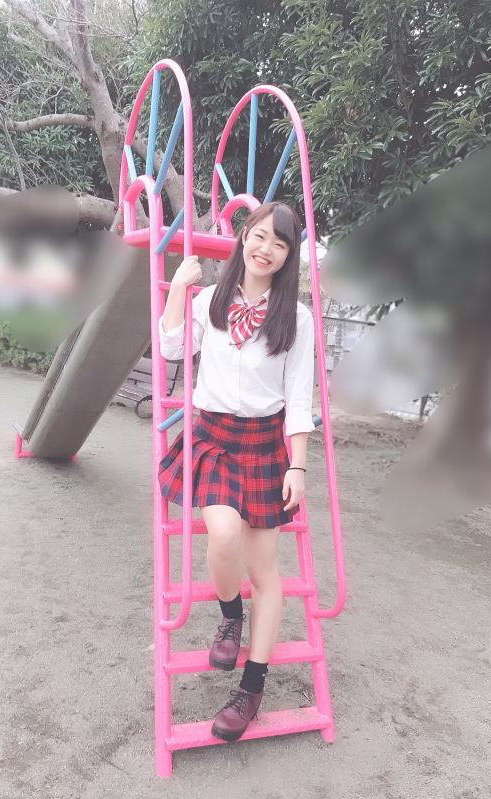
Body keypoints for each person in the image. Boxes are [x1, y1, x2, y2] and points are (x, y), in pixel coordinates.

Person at [157, 201, 315, 742]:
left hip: (265, 445)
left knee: (266, 572)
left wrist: (298, 465)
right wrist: (179, 287)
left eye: (280, 243)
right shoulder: (210, 302)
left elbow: (299, 398)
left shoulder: (296, 319)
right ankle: (231, 615)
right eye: (260, 236)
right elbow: (171, 347)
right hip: (214, 439)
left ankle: (252, 686)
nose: (266, 249)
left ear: (288, 256)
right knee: (222, 534)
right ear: (244, 236)